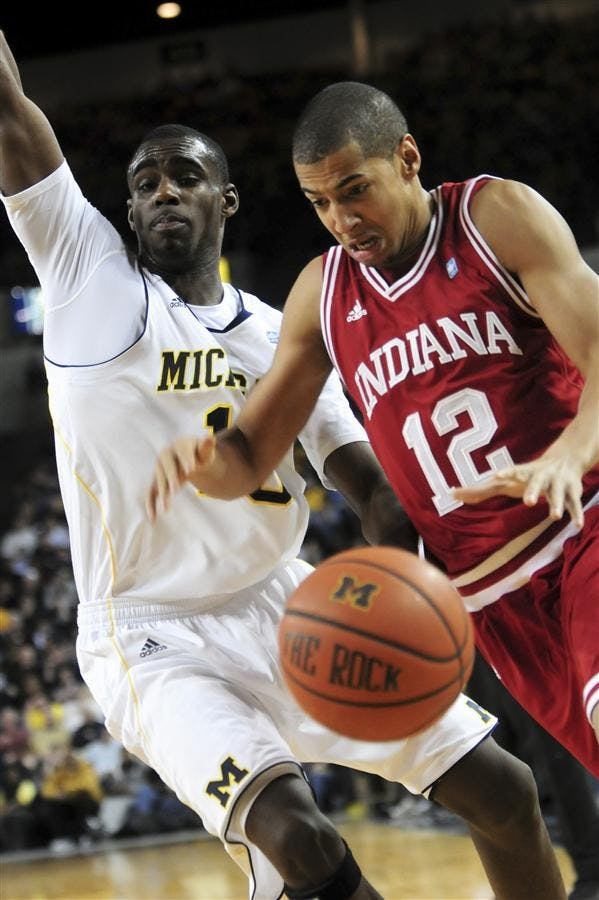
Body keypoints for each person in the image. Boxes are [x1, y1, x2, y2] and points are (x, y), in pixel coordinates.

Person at [0, 36, 566, 899]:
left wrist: (408, 563)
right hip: (150, 636)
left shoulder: (281, 332)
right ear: (123, 209)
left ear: (226, 200)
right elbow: (12, 114)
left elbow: (365, 481)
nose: (162, 193)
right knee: (297, 835)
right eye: (145, 183)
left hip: (286, 604)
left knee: (503, 789)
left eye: (183, 176)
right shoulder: (88, 279)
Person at [147, 79, 599, 783]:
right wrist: (200, 459)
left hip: (581, 535)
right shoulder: (320, 295)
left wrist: (570, 454)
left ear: (408, 159)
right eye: (319, 203)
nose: (340, 218)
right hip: (488, 599)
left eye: (354, 190)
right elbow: (248, 458)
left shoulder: (494, 216)